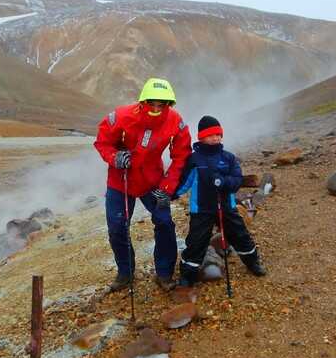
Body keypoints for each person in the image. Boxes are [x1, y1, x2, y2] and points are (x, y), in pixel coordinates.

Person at [94, 78, 192, 292]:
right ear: (143, 101)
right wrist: (115, 156)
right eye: (152, 103)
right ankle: (125, 273)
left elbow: (182, 155)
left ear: (169, 105)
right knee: (117, 228)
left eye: (162, 104)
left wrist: (167, 187)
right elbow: (102, 142)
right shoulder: (121, 116)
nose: (157, 108)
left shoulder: (175, 121)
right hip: (121, 181)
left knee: (165, 224)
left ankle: (164, 273)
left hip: (153, 182)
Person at [174, 115, 267, 287]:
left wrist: (223, 182)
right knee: (196, 242)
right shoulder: (194, 159)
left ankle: (253, 262)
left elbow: (237, 180)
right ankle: (187, 275)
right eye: (210, 135)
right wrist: (171, 194)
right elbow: (185, 182)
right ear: (201, 137)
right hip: (200, 209)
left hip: (226, 206)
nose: (215, 138)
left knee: (240, 235)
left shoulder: (228, 158)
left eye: (218, 134)